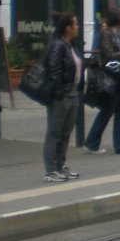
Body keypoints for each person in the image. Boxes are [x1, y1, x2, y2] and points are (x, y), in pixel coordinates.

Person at [84, 7, 120, 155]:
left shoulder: (116, 34)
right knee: (108, 111)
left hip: (119, 77)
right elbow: (108, 55)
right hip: (111, 77)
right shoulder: (106, 34)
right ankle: (93, 142)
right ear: (117, 19)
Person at [43, 12, 83, 182]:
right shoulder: (58, 46)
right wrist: (60, 92)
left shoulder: (69, 45)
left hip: (72, 93)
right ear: (68, 28)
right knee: (55, 131)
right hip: (62, 95)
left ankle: (60, 165)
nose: (78, 27)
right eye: (75, 24)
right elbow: (54, 70)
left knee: (65, 133)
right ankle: (51, 169)